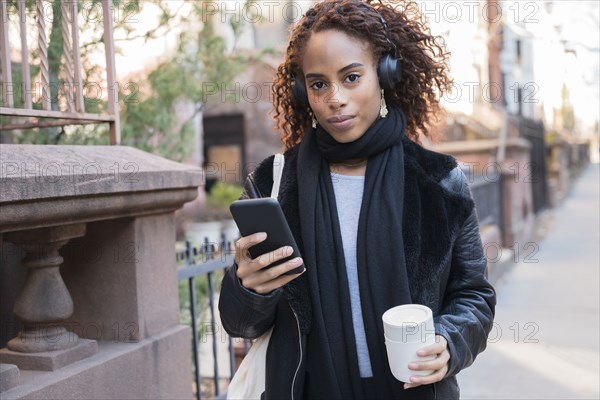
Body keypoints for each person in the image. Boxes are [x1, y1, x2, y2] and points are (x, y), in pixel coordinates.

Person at [219, 0, 496, 399]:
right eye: (318, 84)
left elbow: (474, 295)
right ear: (303, 92)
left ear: (384, 75)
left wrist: (449, 343)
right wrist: (249, 289)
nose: (335, 98)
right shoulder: (272, 183)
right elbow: (240, 324)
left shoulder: (439, 181)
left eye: (351, 77)